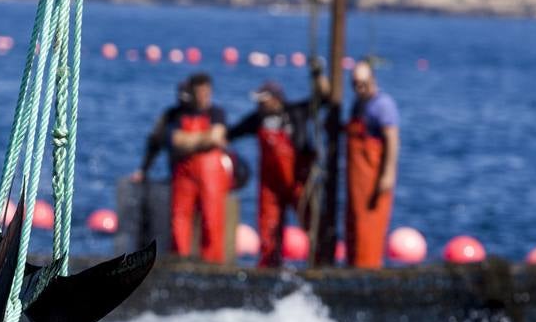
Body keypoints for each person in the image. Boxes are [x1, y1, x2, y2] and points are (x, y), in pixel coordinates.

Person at [228, 68, 330, 267]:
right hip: (270, 187)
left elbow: (324, 98)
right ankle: (269, 267)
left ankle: (319, 263)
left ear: (275, 99)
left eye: (263, 100)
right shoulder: (257, 119)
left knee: (312, 223)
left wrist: (318, 74)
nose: (259, 104)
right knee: (268, 228)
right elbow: (230, 134)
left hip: (299, 181)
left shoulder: (296, 112)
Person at [167, 73, 230, 262]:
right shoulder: (178, 114)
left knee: (212, 220)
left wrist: (190, 141)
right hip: (184, 174)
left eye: (206, 91)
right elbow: (176, 141)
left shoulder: (217, 113)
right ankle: (179, 263)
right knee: (179, 219)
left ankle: (212, 264)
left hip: (211, 175)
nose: (203, 96)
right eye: (199, 91)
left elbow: (217, 136)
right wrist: (205, 139)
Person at [345, 60, 400, 268]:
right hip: (356, 181)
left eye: (363, 83)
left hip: (373, 180)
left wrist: (388, 174)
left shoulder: (383, 105)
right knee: (355, 227)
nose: (359, 88)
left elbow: (393, 139)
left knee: (369, 230)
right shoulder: (358, 105)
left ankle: (367, 268)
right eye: (355, 84)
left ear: (373, 80)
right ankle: (353, 265)